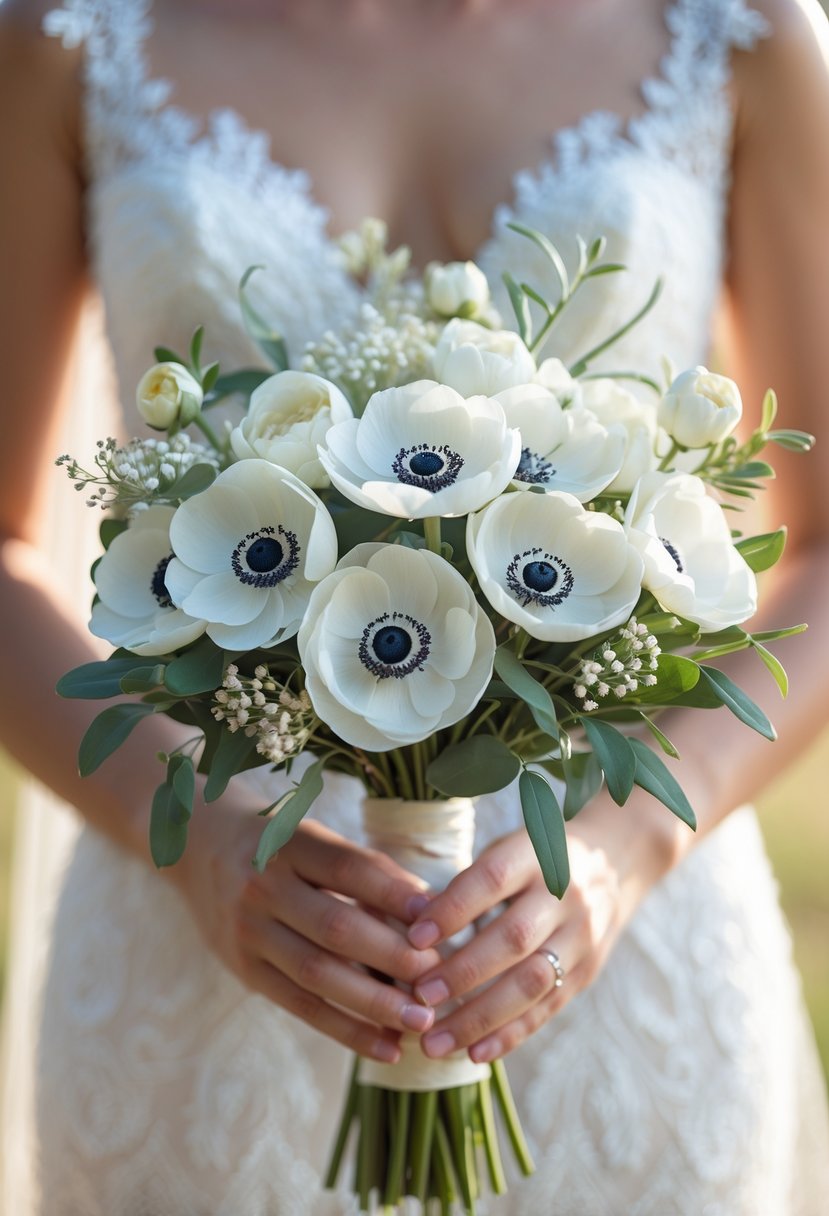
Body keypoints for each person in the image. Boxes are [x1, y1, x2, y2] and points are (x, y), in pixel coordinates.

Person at [1, 0, 828, 1212]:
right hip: (207, 929)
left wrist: (629, 842)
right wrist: (197, 841)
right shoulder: (71, 38)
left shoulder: (735, 37)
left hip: (621, 934)